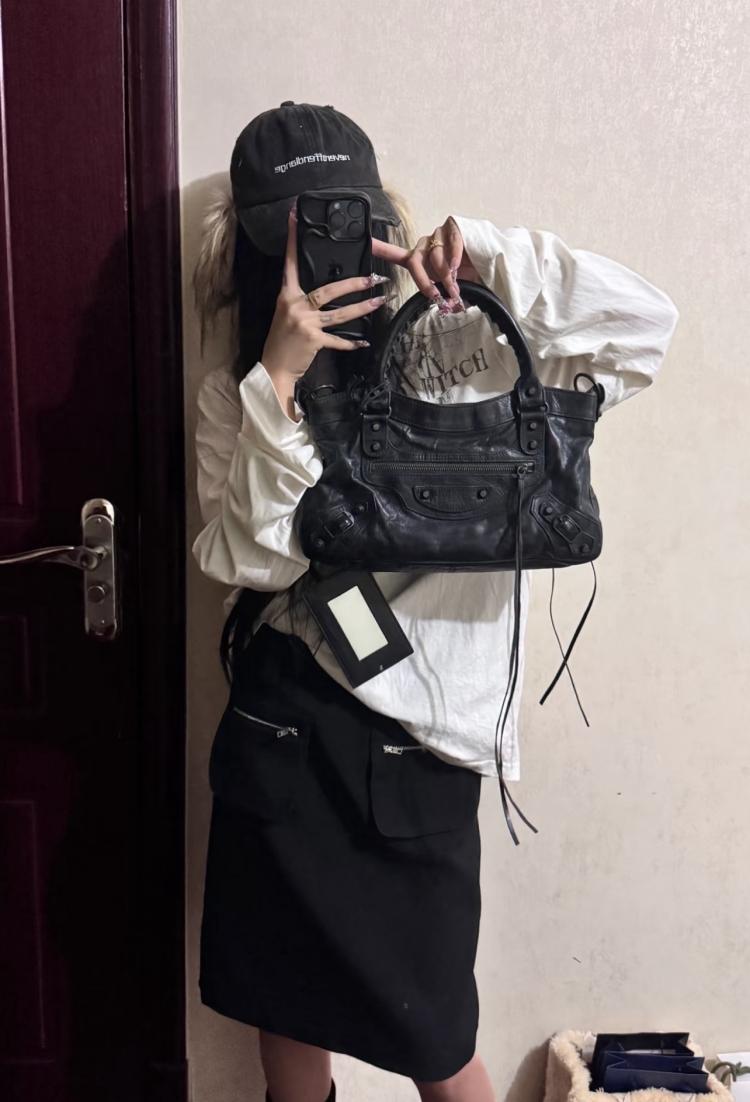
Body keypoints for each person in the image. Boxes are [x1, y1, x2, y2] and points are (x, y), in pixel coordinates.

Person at [191, 102, 679, 1102]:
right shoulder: (242, 382)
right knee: (286, 1024)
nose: (322, 254)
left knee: (439, 1040)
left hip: (424, 741)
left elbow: (646, 328)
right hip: (286, 729)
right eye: (293, 236)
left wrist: (489, 254)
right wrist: (278, 379)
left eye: (340, 222)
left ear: (381, 211)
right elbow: (254, 561)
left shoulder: (468, 334)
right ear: (254, 245)